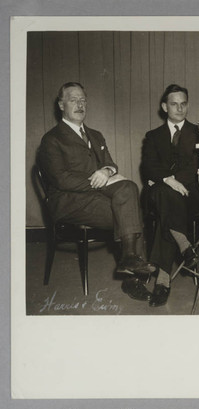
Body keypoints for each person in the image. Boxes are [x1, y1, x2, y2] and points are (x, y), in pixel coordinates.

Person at [38, 82, 155, 301]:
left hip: (95, 198)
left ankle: (129, 259)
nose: (80, 104)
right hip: (69, 202)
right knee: (130, 213)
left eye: (83, 100)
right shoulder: (51, 139)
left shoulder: (96, 135)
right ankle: (132, 276)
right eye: (73, 100)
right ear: (61, 105)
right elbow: (61, 179)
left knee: (128, 189)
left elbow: (111, 165)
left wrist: (107, 170)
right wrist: (100, 180)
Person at [141, 84, 199, 307]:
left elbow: (198, 165)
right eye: (174, 104)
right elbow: (148, 166)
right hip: (163, 194)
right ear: (164, 107)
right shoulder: (153, 136)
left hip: (190, 196)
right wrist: (169, 180)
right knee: (166, 195)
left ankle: (163, 279)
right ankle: (184, 246)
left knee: (166, 202)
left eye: (183, 103)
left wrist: (171, 179)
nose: (179, 108)